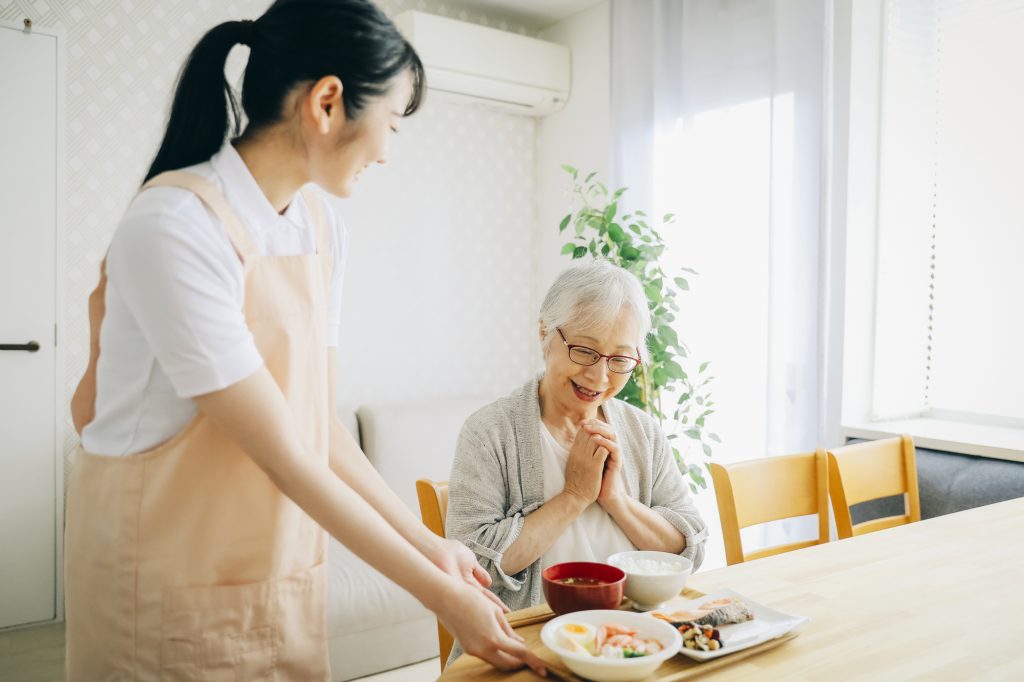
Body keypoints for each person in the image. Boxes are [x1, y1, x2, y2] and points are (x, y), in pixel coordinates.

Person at [64, 1, 544, 678]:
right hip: (161, 573)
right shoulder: (175, 226)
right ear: (327, 102)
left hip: (271, 568)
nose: (386, 151)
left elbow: (316, 423)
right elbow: (285, 454)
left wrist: (433, 547)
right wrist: (438, 596)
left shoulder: (319, 228)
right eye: (392, 124)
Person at [446, 261, 708, 636]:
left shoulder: (641, 431)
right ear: (544, 334)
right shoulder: (489, 432)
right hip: (527, 639)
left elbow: (690, 546)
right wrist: (574, 495)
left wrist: (616, 498)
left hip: (636, 636)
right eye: (585, 351)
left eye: (620, 359)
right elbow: (472, 567)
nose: (599, 377)